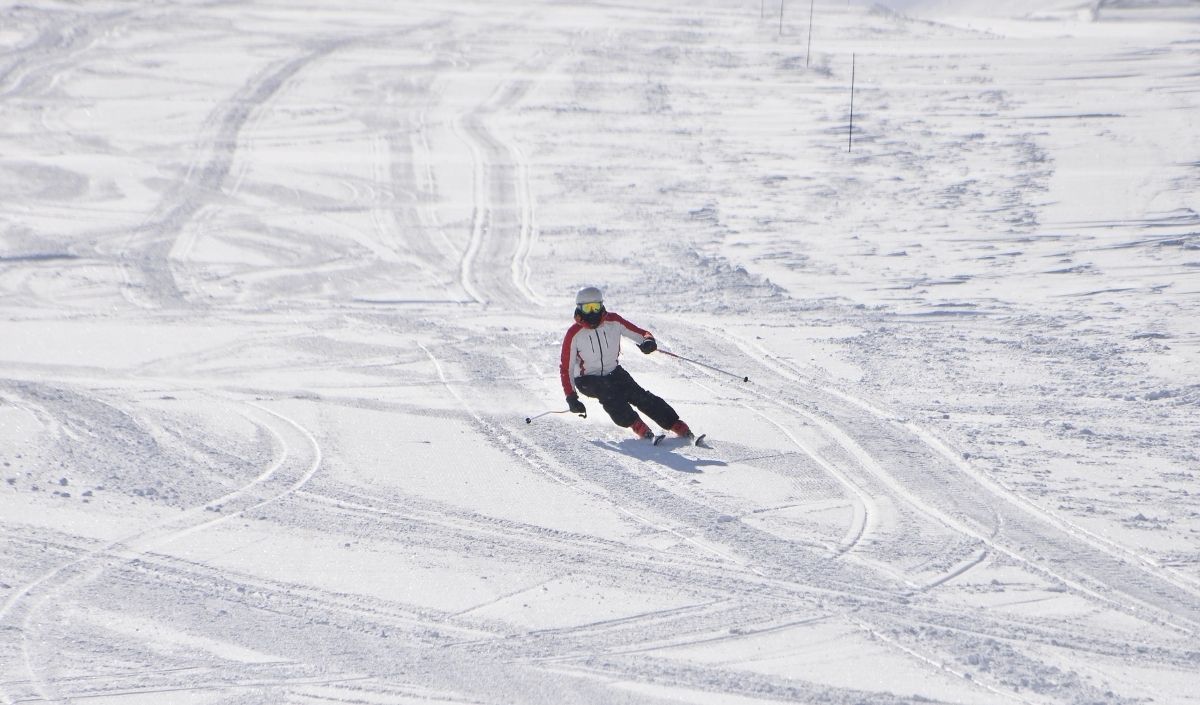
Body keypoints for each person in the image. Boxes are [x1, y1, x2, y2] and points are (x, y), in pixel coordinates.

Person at [559, 286, 694, 440]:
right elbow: (566, 368)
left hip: (613, 372)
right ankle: (638, 426)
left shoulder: (613, 321)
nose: (592, 312)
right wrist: (571, 397)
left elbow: (641, 333)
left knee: (639, 394)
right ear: (579, 309)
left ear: (601, 306)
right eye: (587, 308)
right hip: (586, 379)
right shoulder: (574, 334)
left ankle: (676, 424)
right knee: (609, 393)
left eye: (595, 307)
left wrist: (648, 341)